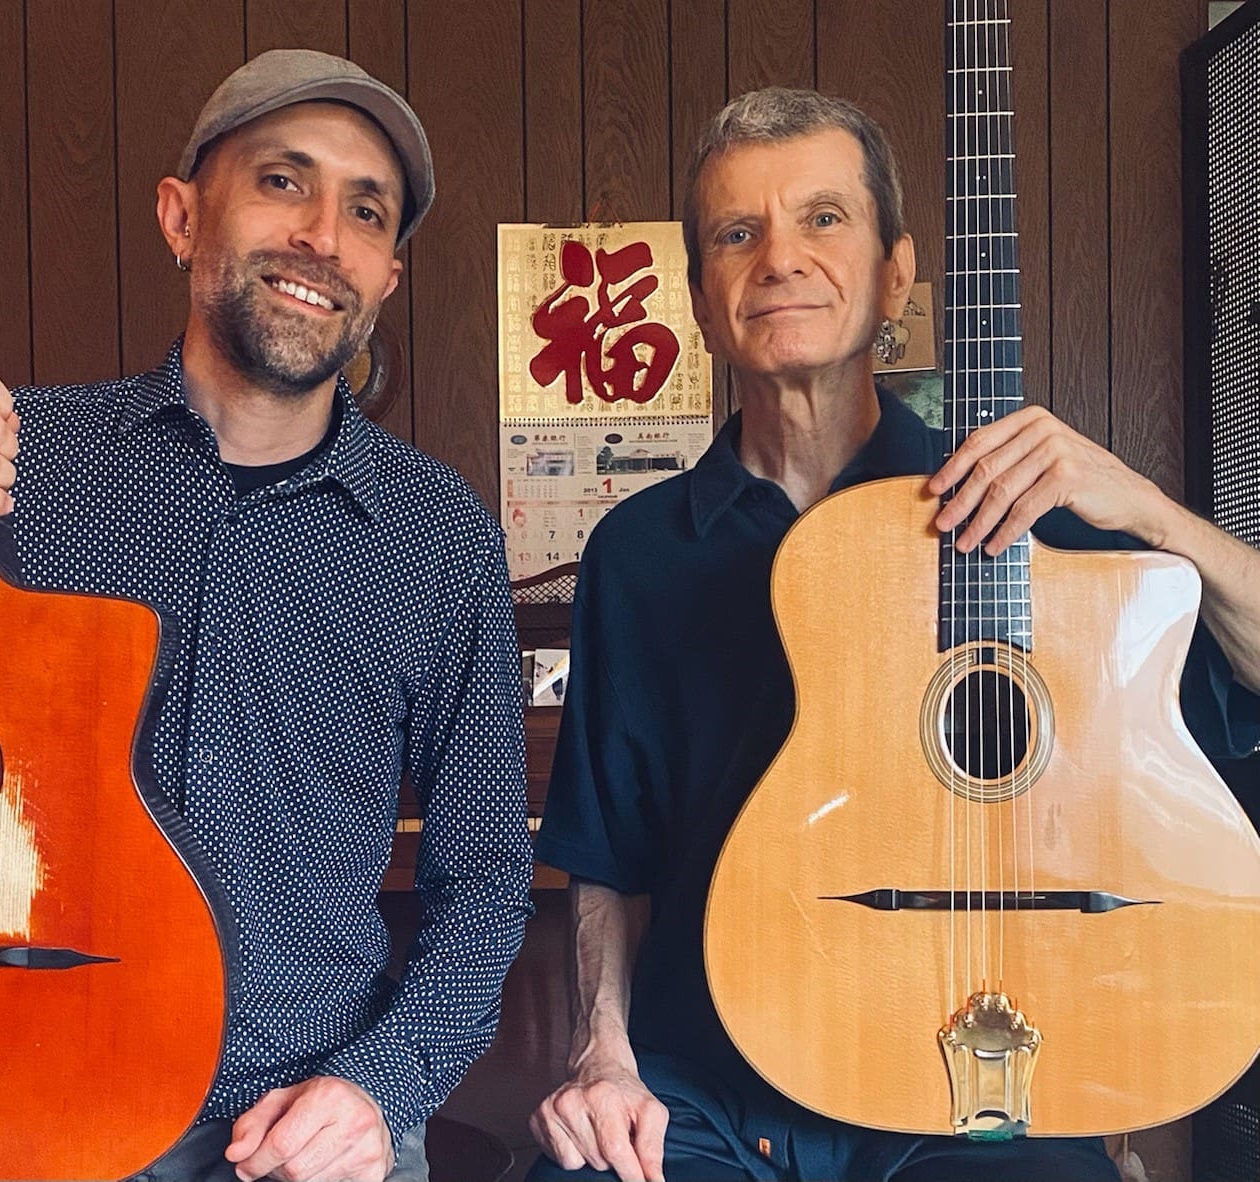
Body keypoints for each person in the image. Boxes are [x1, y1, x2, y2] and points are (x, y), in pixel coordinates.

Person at [0, 50, 533, 1182]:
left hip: (300, 1131)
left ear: (386, 276)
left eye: (365, 211)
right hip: (15, 1111)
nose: (323, 232)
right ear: (181, 217)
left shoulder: (435, 536)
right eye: (282, 180)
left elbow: (483, 876)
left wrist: (384, 1088)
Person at [526, 87, 1260, 1182]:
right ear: (698, 296)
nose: (779, 258)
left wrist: (1146, 509)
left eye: (823, 219)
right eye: (738, 232)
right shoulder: (639, 552)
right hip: (708, 1081)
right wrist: (603, 1055)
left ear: (896, 275)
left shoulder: (1027, 511)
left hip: (977, 1069)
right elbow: (607, 858)